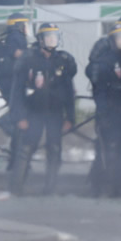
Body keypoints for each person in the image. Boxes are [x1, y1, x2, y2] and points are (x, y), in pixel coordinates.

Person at [8, 23, 77, 196]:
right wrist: (19, 116)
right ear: (40, 40)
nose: (52, 40)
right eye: (48, 37)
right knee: (26, 149)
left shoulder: (63, 60)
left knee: (54, 149)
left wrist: (70, 117)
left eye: (55, 37)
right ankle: (16, 189)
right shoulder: (29, 59)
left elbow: (69, 92)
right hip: (33, 112)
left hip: (55, 112)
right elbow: (16, 92)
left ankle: (50, 189)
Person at [86, 23, 121, 197]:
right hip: (112, 112)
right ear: (113, 41)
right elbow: (99, 90)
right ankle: (108, 187)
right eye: (119, 38)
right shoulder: (105, 61)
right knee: (110, 152)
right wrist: (102, 112)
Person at [0, 12, 30, 170]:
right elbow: (19, 54)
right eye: (25, 25)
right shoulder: (16, 37)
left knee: (16, 119)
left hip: (4, 82)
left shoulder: (3, 38)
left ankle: (15, 161)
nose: (26, 28)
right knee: (19, 121)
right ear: (19, 25)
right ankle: (20, 162)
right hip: (14, 83)